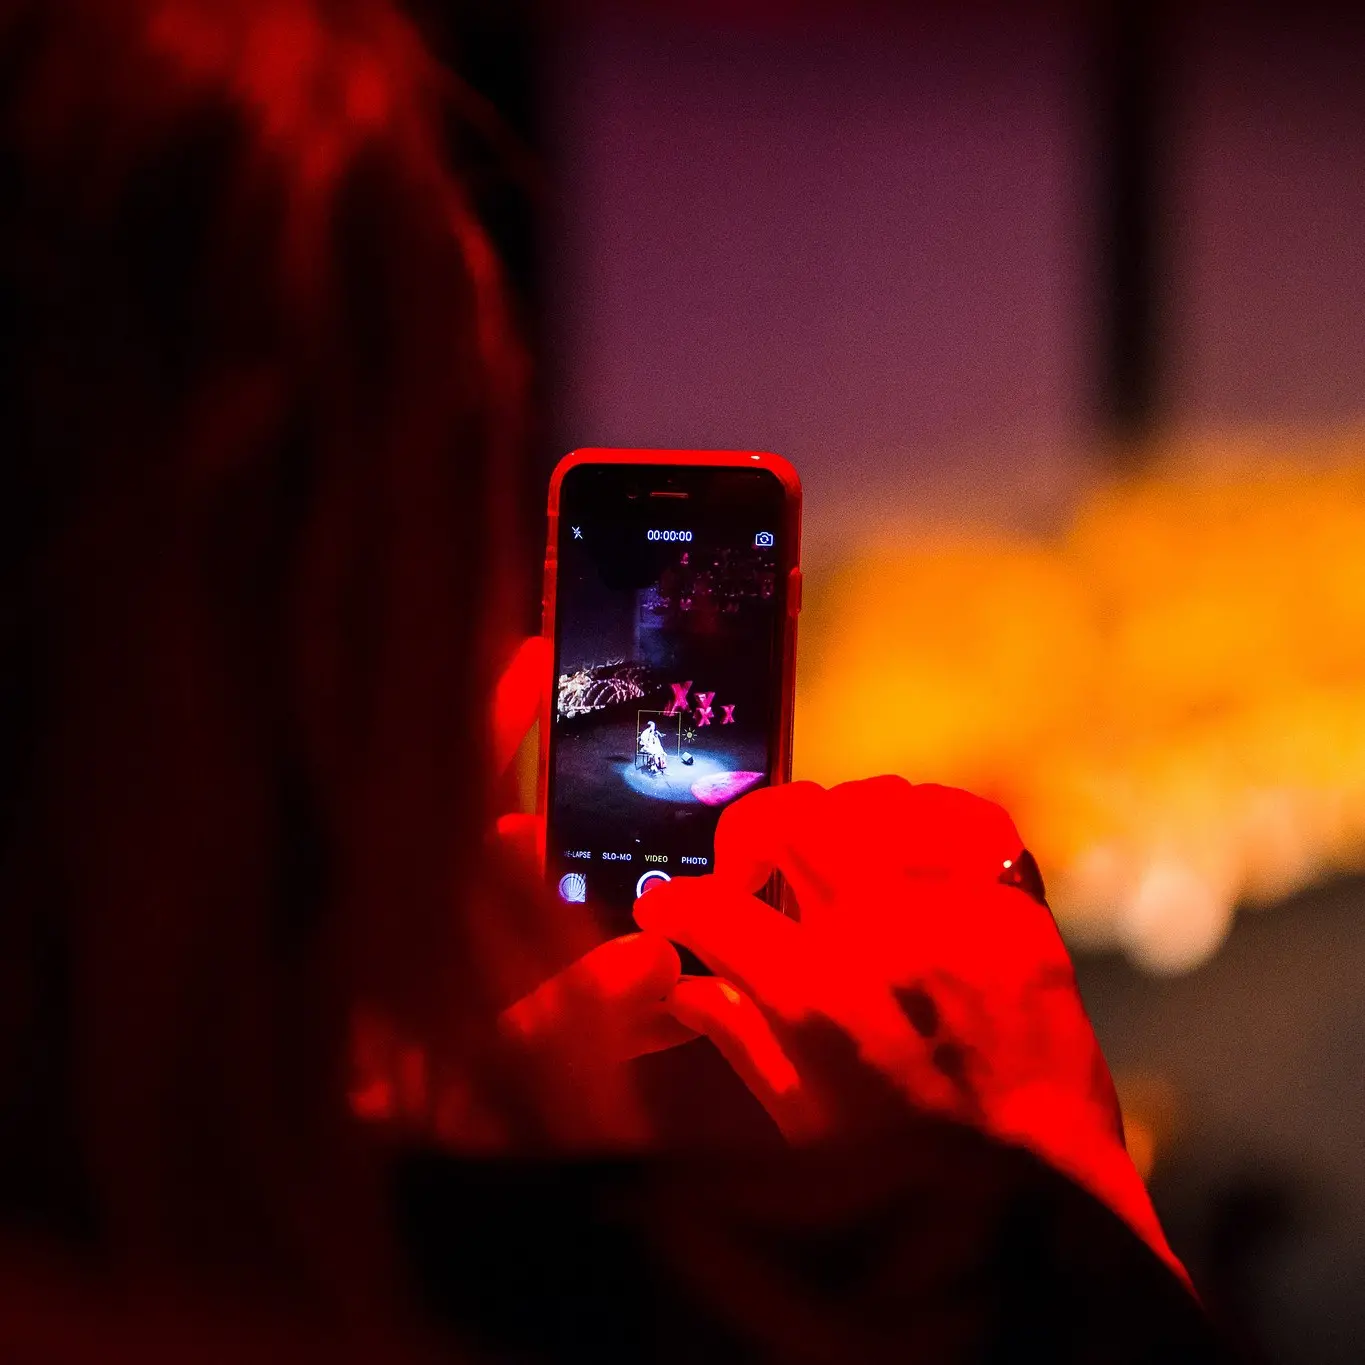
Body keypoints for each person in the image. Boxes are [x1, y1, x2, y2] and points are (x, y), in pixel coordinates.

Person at [0, 1, 1235, 1361]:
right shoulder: (821, 1286)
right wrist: (1060, 1188)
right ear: (322, 629)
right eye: (445, 487)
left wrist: (316, 1139)